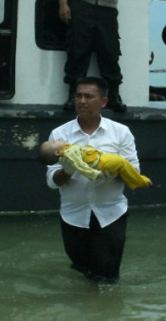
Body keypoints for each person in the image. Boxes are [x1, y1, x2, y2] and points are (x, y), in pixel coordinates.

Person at [44, 76, 141, 283]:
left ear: (103, 102)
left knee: (107, 277)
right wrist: (68, 169)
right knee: (81, 270)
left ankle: (106, 310)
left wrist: (108, 169)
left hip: (111, 214)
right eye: (78, 96)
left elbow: (134, 172)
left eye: (89, 96)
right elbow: (52, 180)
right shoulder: (60, 134)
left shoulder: (120, 133)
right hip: (73, 215)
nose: (82, 101)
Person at [39, 140, 152, 190]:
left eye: (88, 96)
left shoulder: (121, 131)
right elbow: (80, 166)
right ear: (57, 152)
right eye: (54, 143)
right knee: (121, 162)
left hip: (101, 159)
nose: (56, 140)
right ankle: (140, 181)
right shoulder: (69, 154)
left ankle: (138, 181)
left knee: (122, 164)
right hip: (101, 164)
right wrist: (95, 174)